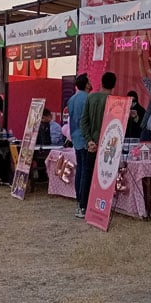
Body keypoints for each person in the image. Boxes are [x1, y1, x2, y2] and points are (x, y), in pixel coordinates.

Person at [80, 72, 116, 215]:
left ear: (101, 82)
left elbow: (84, 122)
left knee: (87, 174)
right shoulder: (114, 101)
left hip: (92, 145)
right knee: (105, 176)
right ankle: (101, 207)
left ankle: (83, 206)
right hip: (107, 147)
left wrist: (89, 141)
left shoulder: (91, 97)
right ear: (114, 84)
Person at [66, 74, 91, 218]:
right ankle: (83, 204)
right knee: (85, 171)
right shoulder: (87, 98)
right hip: (85, 138)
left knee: (80, 170)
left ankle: (79, 202)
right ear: (86, 84)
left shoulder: (71, 99)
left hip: (75, 137)